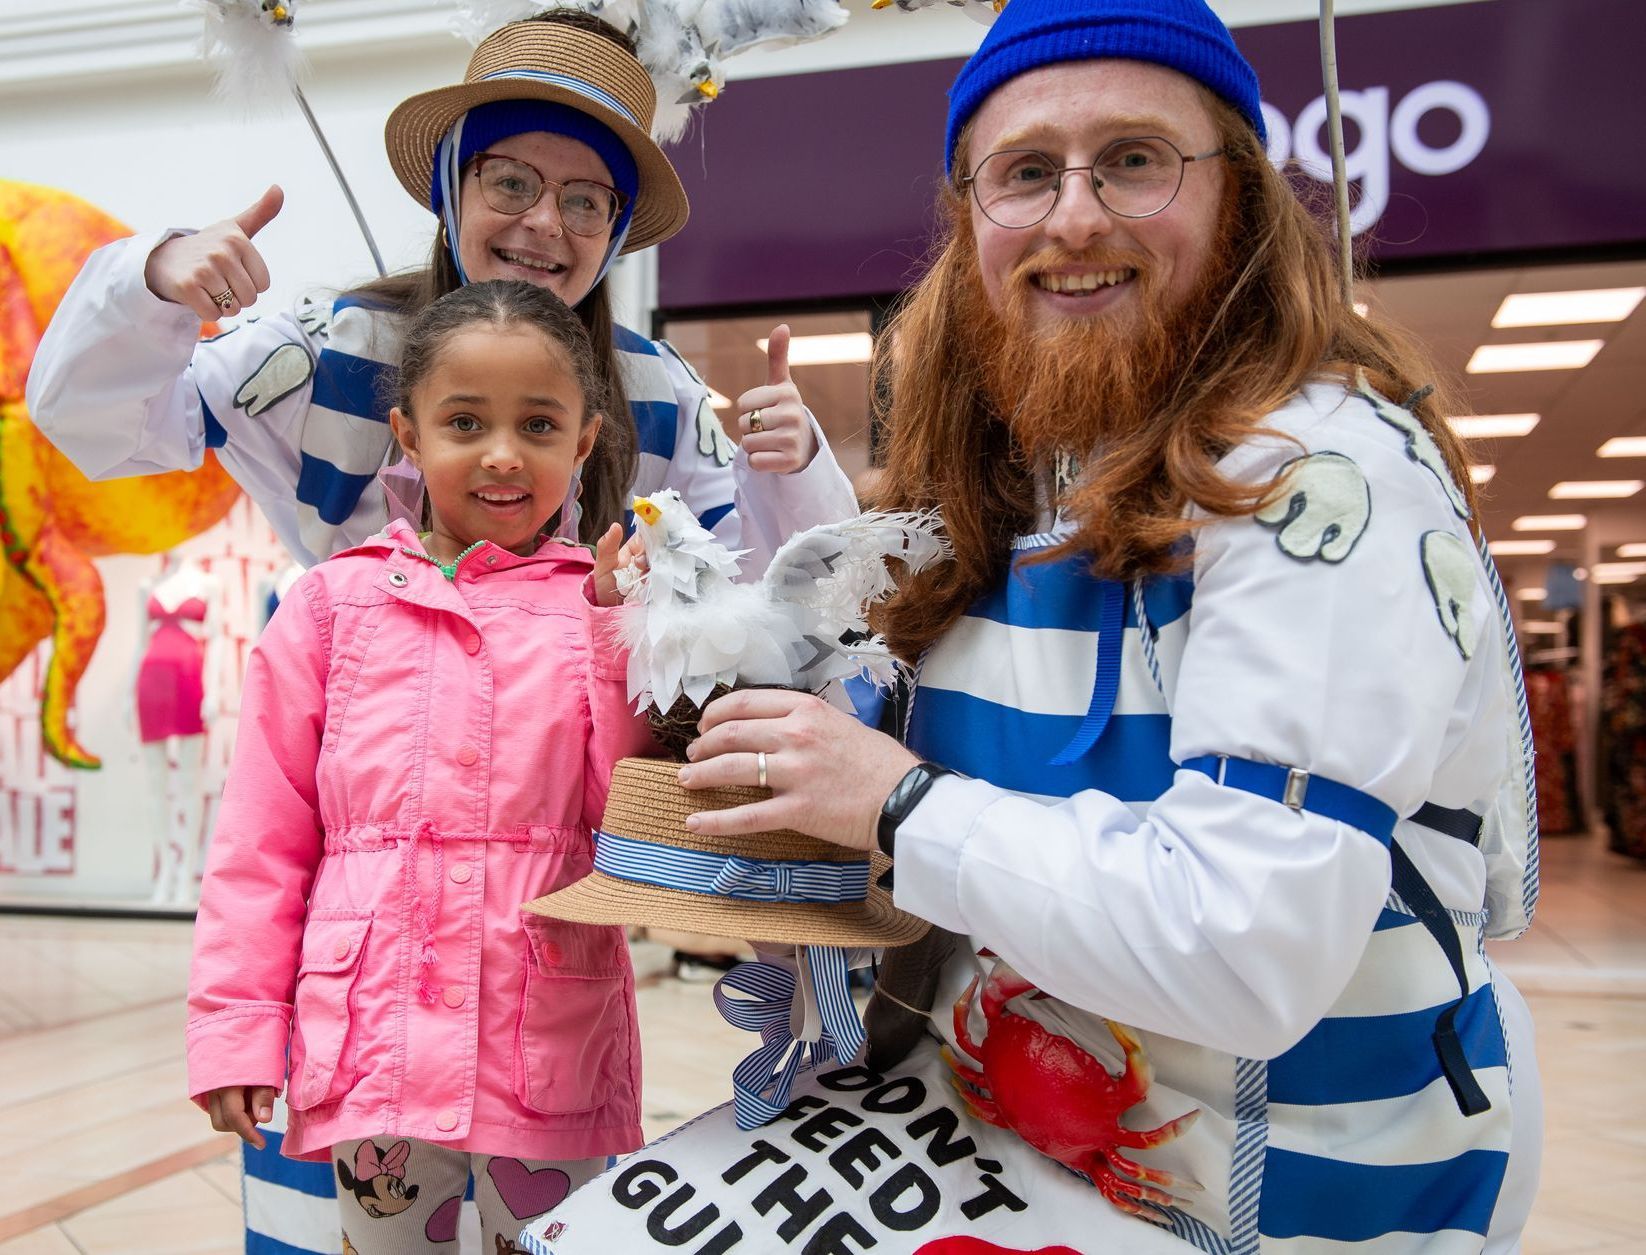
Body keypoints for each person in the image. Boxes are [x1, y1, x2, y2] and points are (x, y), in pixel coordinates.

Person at [677, 1, 1542, 1249]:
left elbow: (1245, 951)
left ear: (1238, 199)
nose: (1073, 216)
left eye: (1133, 160)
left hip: (1298, 1198)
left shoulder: (1320, 480)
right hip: (1000, 1170)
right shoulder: (990, 480)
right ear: (968, 218)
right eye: (1023, 173)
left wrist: (894, 807)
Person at [25, 8, 853, 575]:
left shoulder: (657, 394)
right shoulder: (329, 352)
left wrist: (794, 469)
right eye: (511, 180)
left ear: (615, 231)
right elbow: (97, 427)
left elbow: (754, 595)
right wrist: (152, 282)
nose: (544, 223)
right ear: (450, 190)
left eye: (584, 201)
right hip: (362, 790)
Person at [188, 279, 656, 1254]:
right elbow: (259, 845)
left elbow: (631, 826)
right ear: (408, 433)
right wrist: (236, 1029)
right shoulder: (327, 609)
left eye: (536, 423)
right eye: (463, 421)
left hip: (546, 1050)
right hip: (376, 1043)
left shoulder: (599, 612)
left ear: (582, 443)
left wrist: (622, 640)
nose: (499, 452)